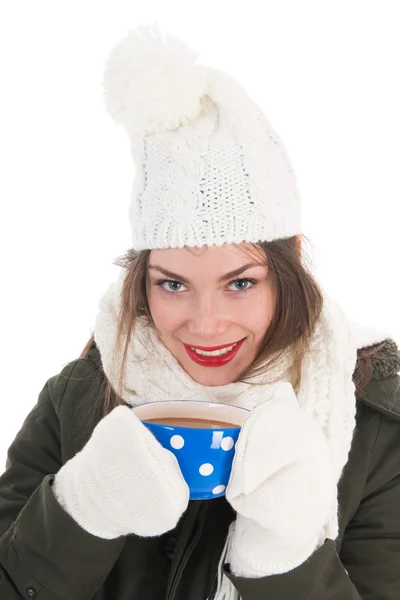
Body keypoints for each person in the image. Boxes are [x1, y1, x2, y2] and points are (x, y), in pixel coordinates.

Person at [0, 23, 399, 600]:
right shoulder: (79, 397)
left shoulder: (376, 419)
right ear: (142, 283)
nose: (205, 324)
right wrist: (78, 512)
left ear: (287, 278)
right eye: (173, 284)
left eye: (240, 282)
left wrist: (286, 560)